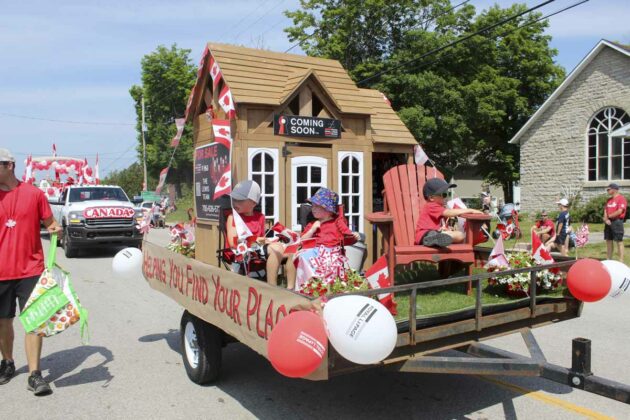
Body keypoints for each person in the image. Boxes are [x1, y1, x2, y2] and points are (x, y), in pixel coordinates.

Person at [0, 148, 62, 396]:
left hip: (31, 269)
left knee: (34, 322)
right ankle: (7, 362)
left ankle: (35, 374)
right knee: (3, 322)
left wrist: (56, 229)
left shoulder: (34, 194)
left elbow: (50, 224)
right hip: (1, 272)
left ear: (9, 165)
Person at [286, 188, 360, 291]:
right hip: (314, 251)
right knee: (302, 256)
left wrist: (354, 236)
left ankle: (322, 286)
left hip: (332, 252)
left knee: (327, 260)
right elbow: (302, 240)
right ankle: (307, 287)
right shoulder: (312, 224)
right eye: (313, 206)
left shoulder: (337, 222)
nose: (313, 209)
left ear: (328, 210)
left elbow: (347, 237)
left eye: (317, 206)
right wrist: (312, 230)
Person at [225, 180, 285, 286]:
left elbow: (261, 239)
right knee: (277, 248)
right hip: (242, 252)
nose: (235, 203)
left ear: (253, 203)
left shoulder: (260, 217)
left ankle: (292, 288)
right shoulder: (233, 217)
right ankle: (272, 286)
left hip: (257, 250)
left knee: (288, 251)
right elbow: (232, 242)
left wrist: (265, 240)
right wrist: (255, 240)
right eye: (234, 199)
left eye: (240, 200)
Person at [415, 178, 483, 247]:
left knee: (460, 235)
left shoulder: (438, 207)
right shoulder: (431, 205)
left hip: (434, 233)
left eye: (448, 193)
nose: (446, 197)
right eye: (444, 194)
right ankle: (431, 240)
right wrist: (470, 210)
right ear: (432, 198)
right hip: (424, 235)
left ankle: (436, 239)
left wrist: (444, 230)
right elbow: (449, 213)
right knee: (458, 235)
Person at [603, 183, 627, 261]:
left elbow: (620, 211)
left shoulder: (621, 199)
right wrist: (606, 219)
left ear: (614, 189)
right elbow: (605, 210)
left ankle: (621, 260)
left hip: (617, 222)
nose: (607, 190)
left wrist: (609, 217)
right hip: (608, 222)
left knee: (619, 241)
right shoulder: (609, 200)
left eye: (608, 189)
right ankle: (609, 258)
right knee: (608, 240)